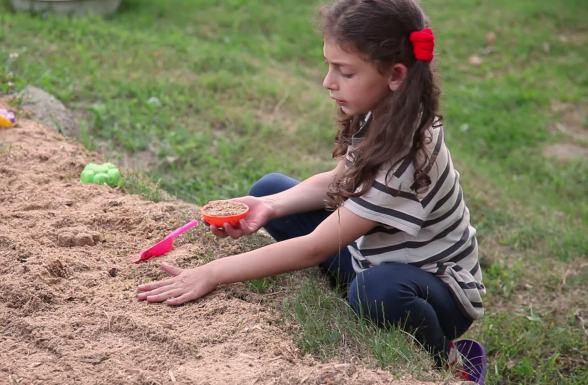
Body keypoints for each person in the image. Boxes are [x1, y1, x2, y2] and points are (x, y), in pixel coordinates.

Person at [137, 0, 487, 382]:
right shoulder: (383, 109)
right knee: (270, 187)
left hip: (435, 292)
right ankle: (354, 286)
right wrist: (269, 206)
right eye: (329, 65)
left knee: (375, 291)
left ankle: (449, 361)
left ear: (395, 75)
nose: (328, 81)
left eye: (345, 71)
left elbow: (315, 247)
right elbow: (341, 178)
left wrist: (212, 273)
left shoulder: (406, 152)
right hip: (374, 257)